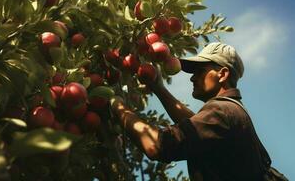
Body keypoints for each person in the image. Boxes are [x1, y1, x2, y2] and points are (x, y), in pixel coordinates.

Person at [110, 42, 271, 181]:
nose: (192, 78)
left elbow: (157, 145)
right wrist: (157, 87)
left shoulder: (222, 112)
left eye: (200, 71)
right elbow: (193, 129)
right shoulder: (231, 111)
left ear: (222, 74)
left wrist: (118, 106)